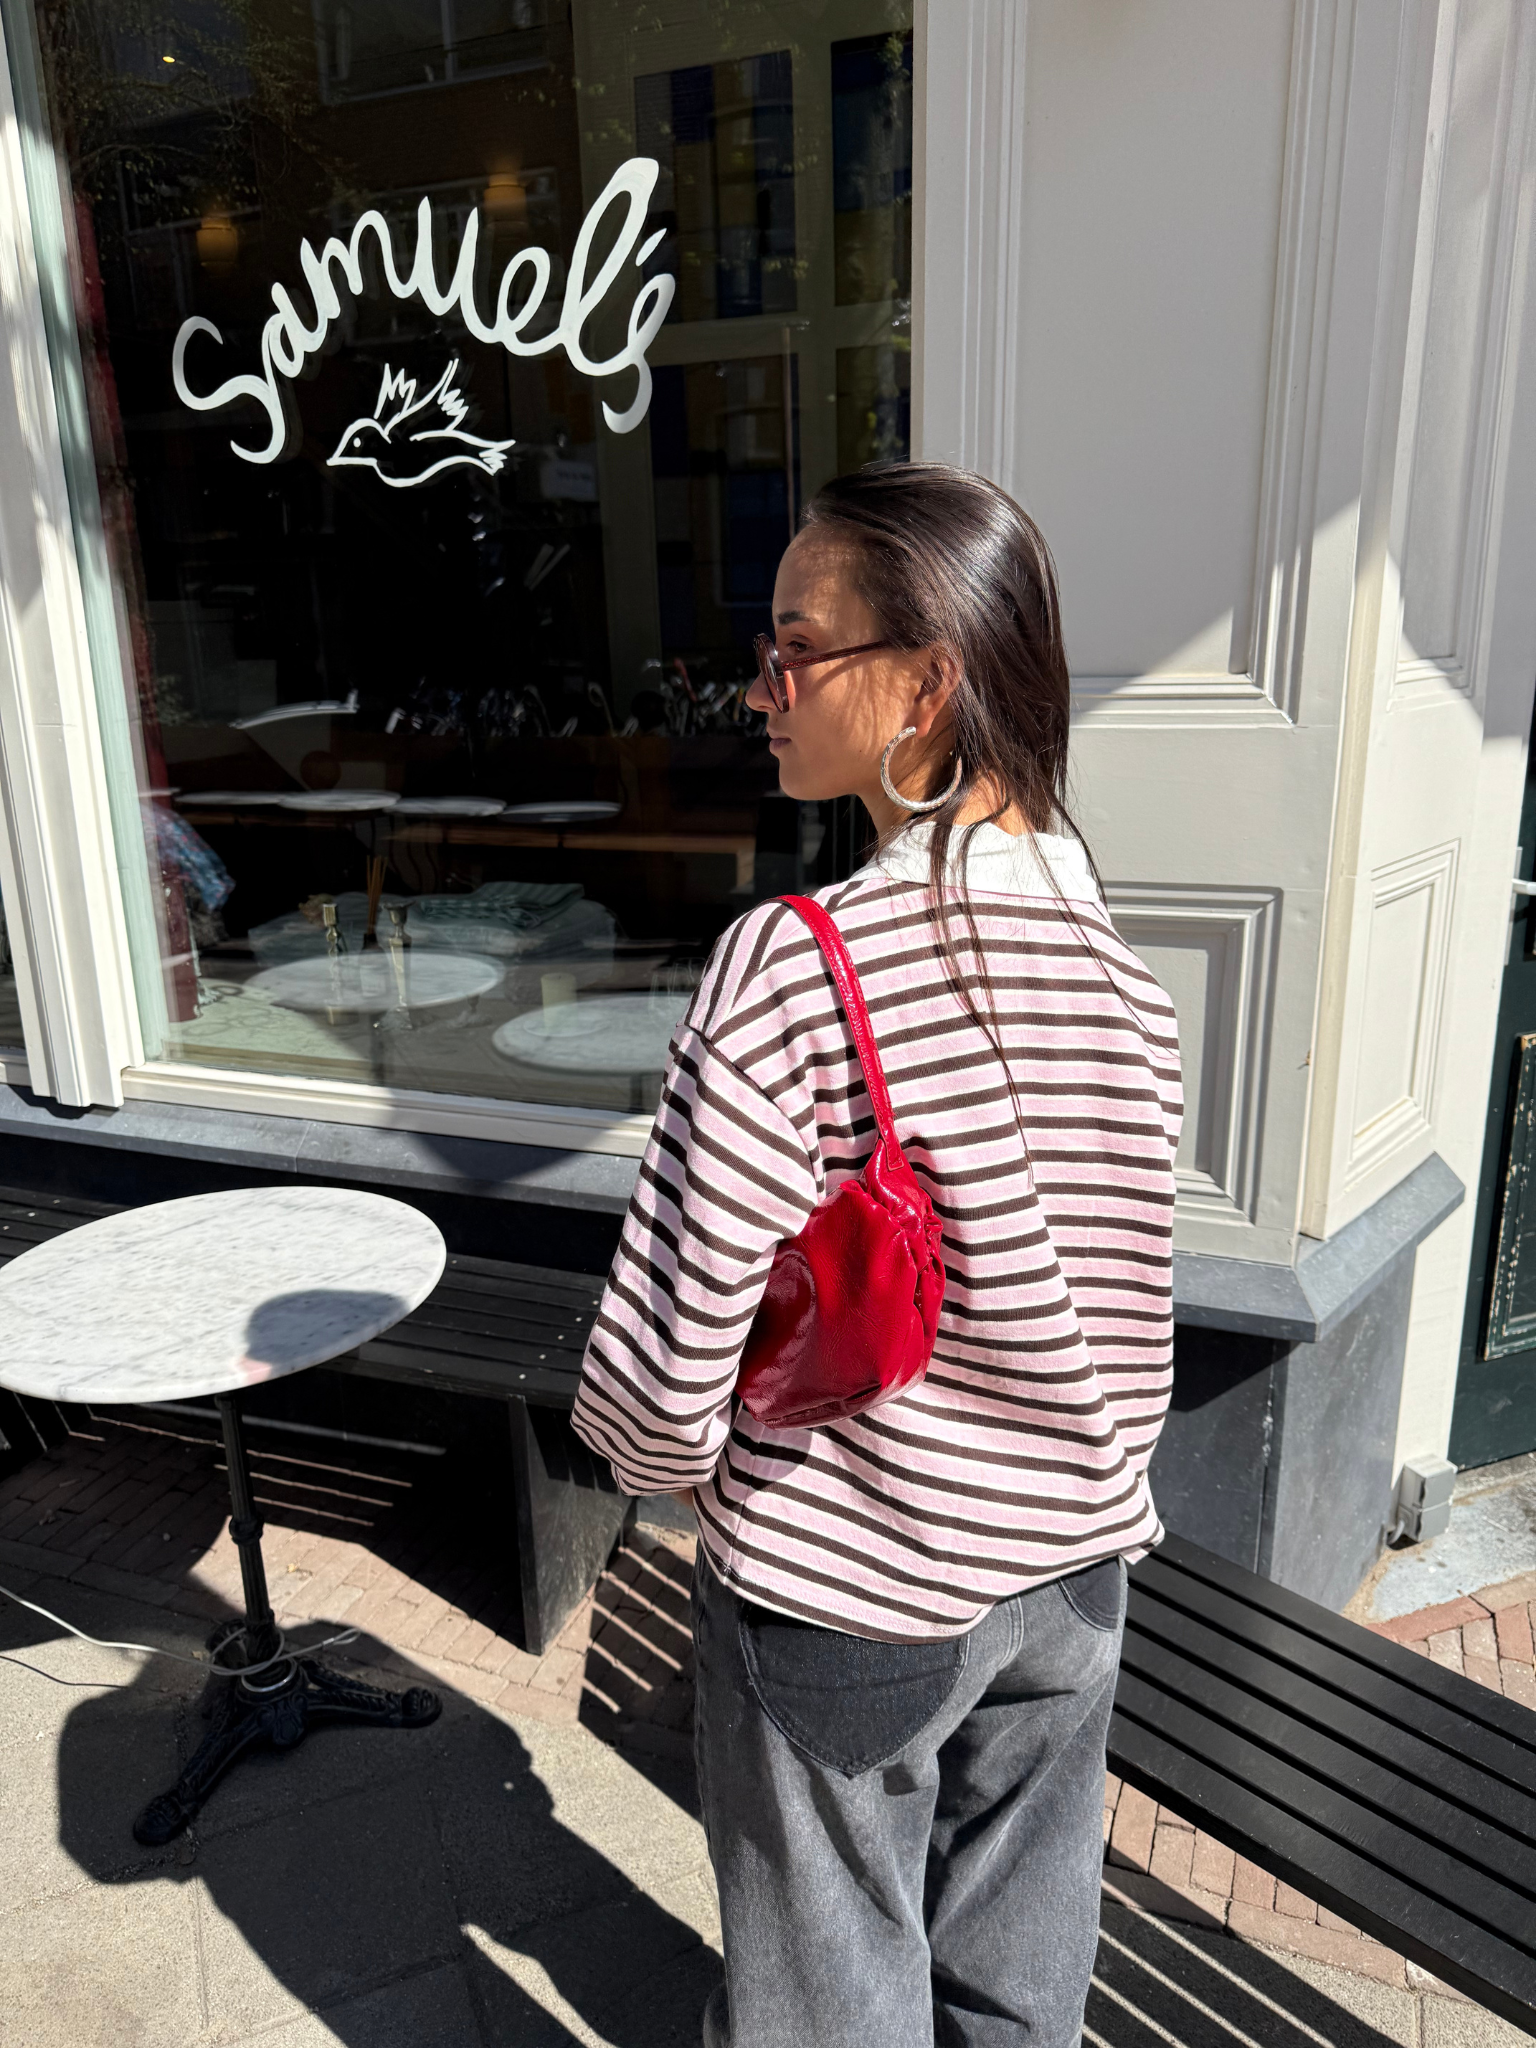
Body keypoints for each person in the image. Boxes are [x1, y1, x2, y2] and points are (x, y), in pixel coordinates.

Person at [572, 462, 1182, 2048]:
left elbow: (667, 1358)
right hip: (1074, 1584)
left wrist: (676, 1473)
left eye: (795, 650)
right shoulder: (1129, 983)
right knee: (1018, 1991)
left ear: (927, 686)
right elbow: (1133, 1312)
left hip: (851, 1589)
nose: (757, 690)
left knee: (830, 2004)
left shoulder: (792, 968)